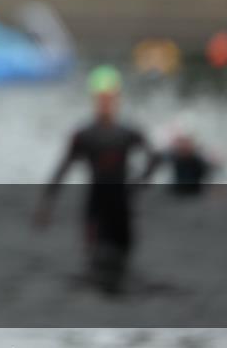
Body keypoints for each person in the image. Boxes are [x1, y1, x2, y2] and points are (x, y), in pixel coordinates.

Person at [34, 65, 159, 293]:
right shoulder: (83, 136)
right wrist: (46, 204)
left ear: (117, 99)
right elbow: (63, 169)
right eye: (101, 98)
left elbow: (154, 158)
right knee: (94, 266)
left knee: (123, 265)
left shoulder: (128, 133)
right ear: (93, 99)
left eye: (109, 98)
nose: (105, 102)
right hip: (96, 208)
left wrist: (139, 185)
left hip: (122, 207)